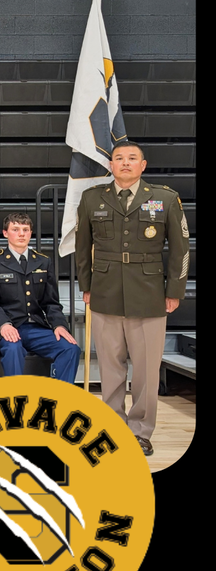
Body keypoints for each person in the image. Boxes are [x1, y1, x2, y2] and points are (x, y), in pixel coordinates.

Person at [74, 141, 190, 455]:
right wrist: (86, 285)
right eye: (119, 158)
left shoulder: (165, 198)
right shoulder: (92, 198)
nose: (125, 163)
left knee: (146, 369)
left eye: (132, 159)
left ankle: (140, 431)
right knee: (111, 368)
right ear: (110, 165)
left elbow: (180, 249)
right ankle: (112, 427)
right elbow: (82, 249)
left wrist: (174, 290)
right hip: (105, 292)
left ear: (143, 165)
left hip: (149, 294)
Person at [0, 212, 80, 385]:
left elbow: (51, 302)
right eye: (16, 229)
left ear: (31, 233)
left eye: (26, 230)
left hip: (36, 327)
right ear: (5, 233)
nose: (21, 234)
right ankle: (15, 402)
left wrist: (59, 325)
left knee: (70, 348)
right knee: (13, 349)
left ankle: (59, 400)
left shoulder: (43, 262)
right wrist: (4, 325)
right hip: (7, 327)